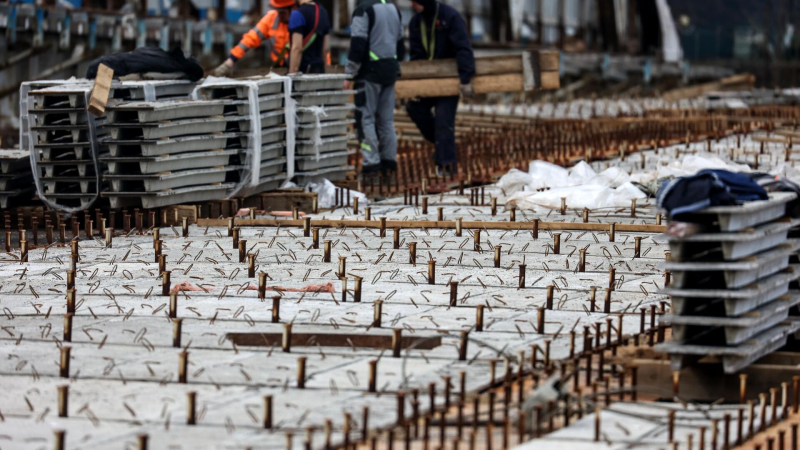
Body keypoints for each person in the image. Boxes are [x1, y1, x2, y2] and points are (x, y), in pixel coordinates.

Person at [406, 0, 475, 175]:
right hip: (428, 81)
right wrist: (413, 84)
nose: (413, 4)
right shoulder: (416, 23)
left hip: (449, 81)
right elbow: (416, 57)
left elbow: (463, 48)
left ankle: (447, 165)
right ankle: (442, 145)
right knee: (415, 108)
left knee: (444, 121)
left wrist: (466, 78)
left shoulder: (449, 17)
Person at [344, 0, 404, 178]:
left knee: (365, 120)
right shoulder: (393, 8)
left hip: (369, 73)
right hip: (390, 70)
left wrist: (349, 74)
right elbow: (400, 44)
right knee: (386, 120)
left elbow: (357, 44)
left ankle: (371, 166)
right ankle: (389, 164)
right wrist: (396, 66)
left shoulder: (363, 10)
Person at [213, 0, 295, 77]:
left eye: (283, 12)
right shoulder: (272, 18)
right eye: (278, 11)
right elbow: (251, 38)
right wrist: (230, 61)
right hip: (279, 66)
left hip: (297, 66)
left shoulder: (300, 18)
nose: (280, 15)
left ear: (292, 8)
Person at [288, 0, 331, 74]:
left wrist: (291, 74)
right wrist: (324, 71)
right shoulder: (324, 12)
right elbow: (325, 49)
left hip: (304, 70)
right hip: (319, 69)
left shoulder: (297, 14)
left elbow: (297, 48)